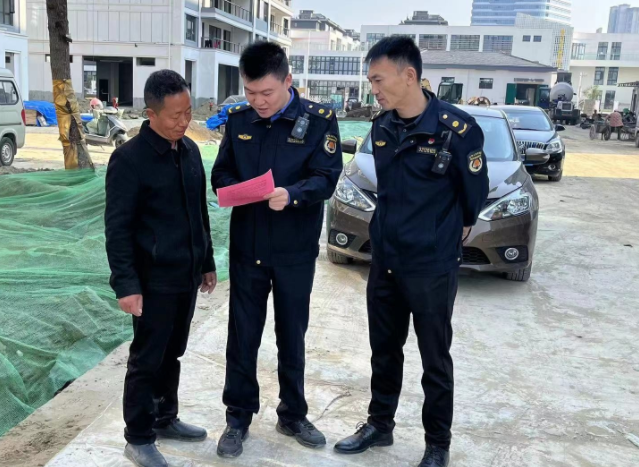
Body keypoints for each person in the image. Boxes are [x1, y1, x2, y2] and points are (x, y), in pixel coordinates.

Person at [334, 37, 489, 467]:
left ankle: (437, 443)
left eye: (378, 80)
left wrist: (442, 231)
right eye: (370, 81)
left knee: (434, 358)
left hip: (431, 265)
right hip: (385, 259)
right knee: (384, 349)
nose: (374, 90)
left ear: (409, 75)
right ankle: (379, 425)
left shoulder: (458, 131)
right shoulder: (382, 127)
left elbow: (473, 197)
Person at [211, 41, 343, 458]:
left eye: (266, 92)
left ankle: (293, 414)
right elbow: (221, 173)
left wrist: (293, 194)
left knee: (292, 334)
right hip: (248, 248)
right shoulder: (238, 119)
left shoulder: (319, 121)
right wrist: (235, 188)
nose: (259, 101)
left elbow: (327, 177)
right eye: (250, 93)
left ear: (288, 80)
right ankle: (237, 418)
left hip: (294, 250)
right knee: (242, 335)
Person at [105, 70, 217, 467]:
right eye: (175, 116)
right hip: (152, 280)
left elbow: (199, 213)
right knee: (147, 358)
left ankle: (165, 417)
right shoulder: (129, 160)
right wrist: (126, 285)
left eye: (188, 112)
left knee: (174, 351)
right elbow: (118, 229)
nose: (184, 122)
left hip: (186, 275)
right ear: (151, 114)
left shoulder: (189, 152)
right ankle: (138, 437)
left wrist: (206, 262)